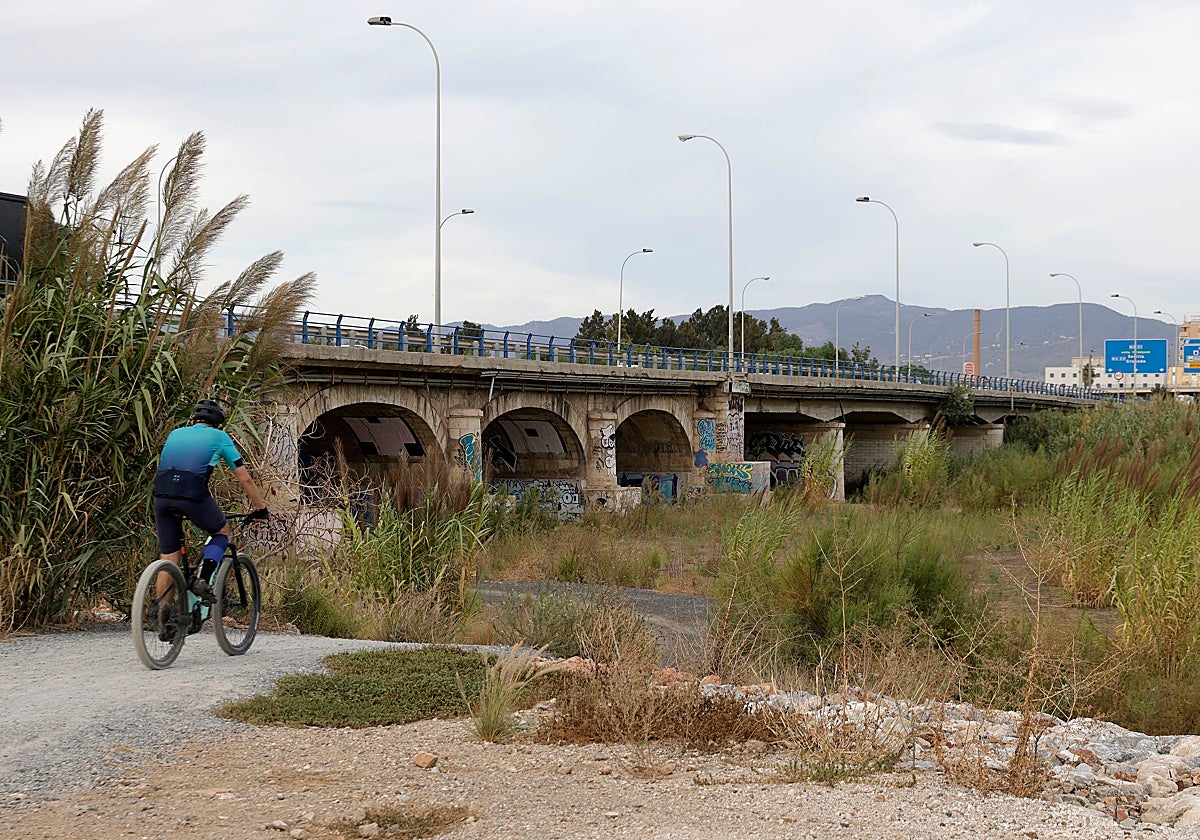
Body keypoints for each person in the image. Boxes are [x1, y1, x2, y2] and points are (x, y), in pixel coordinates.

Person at [153, 399, 269, 600]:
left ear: (194, 420)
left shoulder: (175, 433)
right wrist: (261, 508)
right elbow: (245, 478)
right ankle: (203, 580)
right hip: (191, 493)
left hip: (161, 494)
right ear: (219, 424)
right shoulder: (220, 436)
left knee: (169, 557)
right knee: (221, 530)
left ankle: (161, 612)